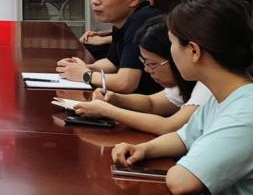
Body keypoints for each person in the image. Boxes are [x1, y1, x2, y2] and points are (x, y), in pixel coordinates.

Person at [111, 0, 253, 195]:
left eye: (173, 43)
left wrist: (183, 164)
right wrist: (144, 149)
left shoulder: (245, 110)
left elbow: (182, 181)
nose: (171, 51)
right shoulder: (223, 96)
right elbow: (183, 137)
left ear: (194, 51)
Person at [74, 16, 211, 134]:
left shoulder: (208, 85)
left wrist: (107, 111)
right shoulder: (187, 82)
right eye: (144, 62)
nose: (147, 69)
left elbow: (168, 126)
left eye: (152, 64)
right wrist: (115, 99)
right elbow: (152, 103)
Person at [57, 0, 160, 94]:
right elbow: (112, 63)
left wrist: (85, 74)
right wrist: (81, 67)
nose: (94, 1)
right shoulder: (124, 19)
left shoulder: (142, 22)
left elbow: (125, 83)